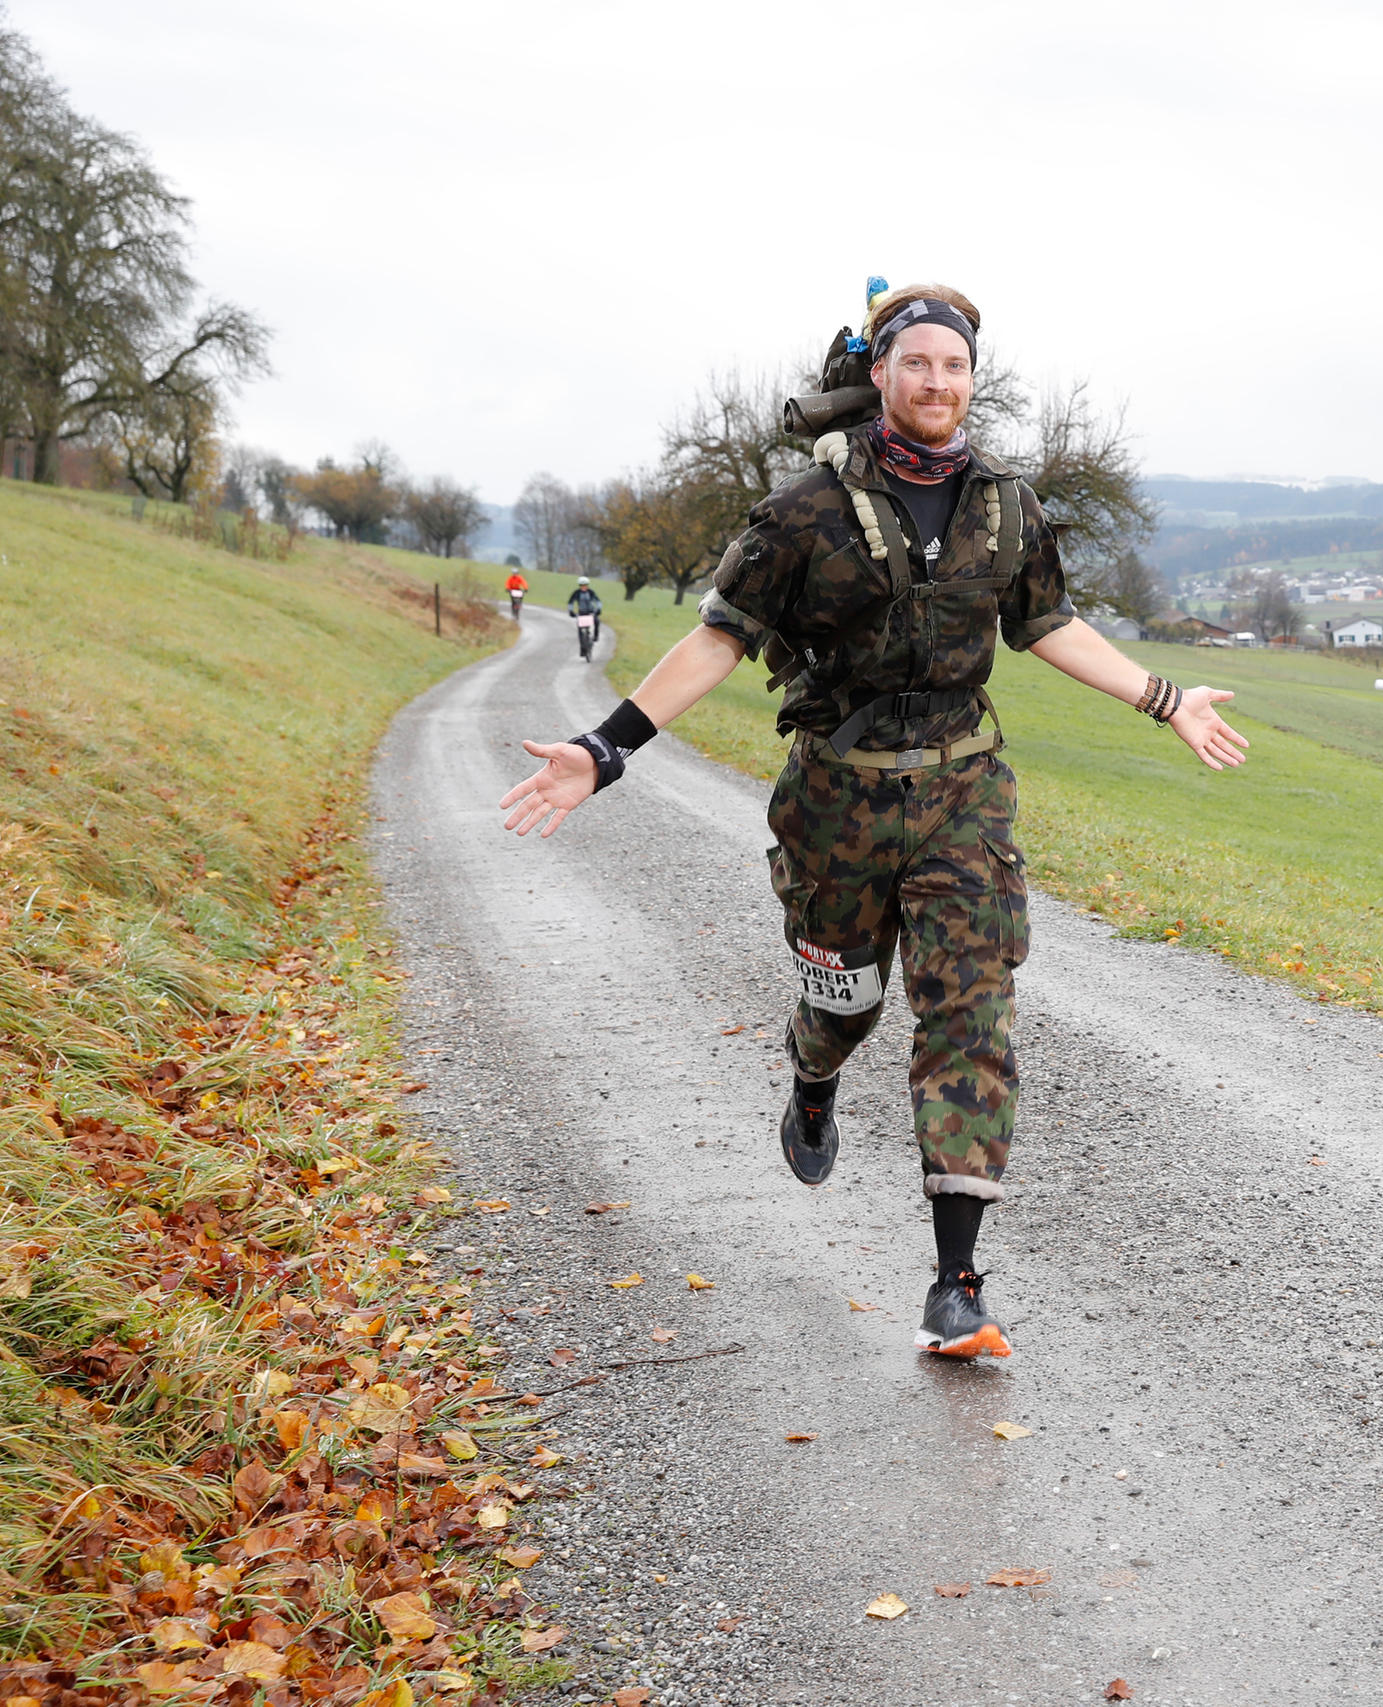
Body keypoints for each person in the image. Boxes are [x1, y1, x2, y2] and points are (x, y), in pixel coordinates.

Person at [497, 284, 1248, 1360]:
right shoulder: (800, 513)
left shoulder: (1010, 507)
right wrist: (602, 749)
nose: (938, 383)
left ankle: (957, 1286)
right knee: (843, 1003)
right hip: (836, 803)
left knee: (970, 1015)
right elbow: (716, 640)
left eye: (955, 367)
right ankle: (813, 1081)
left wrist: (1166, 700)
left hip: (963, 796)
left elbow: (1050, 625)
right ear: (880, 377)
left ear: (972, 381)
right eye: (918, 365)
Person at [567, 575, 603, 662]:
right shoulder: (576, 593)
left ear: (587, 585)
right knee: (580, 631)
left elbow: (598, 601)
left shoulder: (591, 592)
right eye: (582, 585)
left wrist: (598, 609)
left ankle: (595, 636)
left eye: (585, 585)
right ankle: (583, 650)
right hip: (581, 613)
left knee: (597, 621)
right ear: (579, 586)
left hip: (590, 611)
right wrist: (571, 611)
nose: (584, 587)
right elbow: (570, 602)